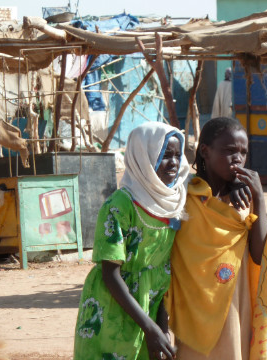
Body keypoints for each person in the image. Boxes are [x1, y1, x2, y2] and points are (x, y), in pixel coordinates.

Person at [166, 117, 267, 360]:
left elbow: (259, 254)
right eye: (230, 151)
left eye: (243, 152)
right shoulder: (183, 197)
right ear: (205, 151)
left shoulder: (244, 198)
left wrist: (259, 198)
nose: (238, 158)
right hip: (194, 309)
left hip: (237, 303)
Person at [73, 122, 190, 360]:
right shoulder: (120, 205)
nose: (174, 163)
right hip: (113, 306)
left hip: (153, 306)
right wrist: (149, 328)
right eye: (165, 155)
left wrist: (161, 327)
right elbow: (110, 274)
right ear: (143, 158)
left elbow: (164, 270)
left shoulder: (174, 203)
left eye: (178, 155)